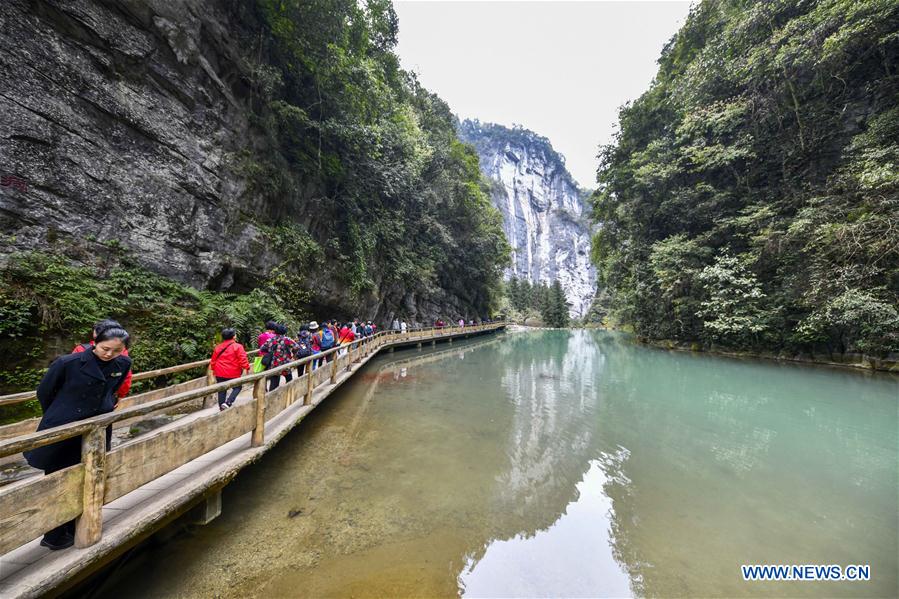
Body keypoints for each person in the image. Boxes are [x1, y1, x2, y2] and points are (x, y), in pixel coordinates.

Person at [25, 327, 132, 550]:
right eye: (105, 348)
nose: (109, 354)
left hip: (96, 429)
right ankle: (53, 534)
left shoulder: (123, 364)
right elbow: (44, 393)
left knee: (90, 475)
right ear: (95, 342)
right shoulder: (68, 363)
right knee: (59, 480)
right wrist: (61, 413)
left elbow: (111, 390)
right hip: (64, 428)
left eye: (117, 350)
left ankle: (77, 526)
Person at [72, 319, 133, 400]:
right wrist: (120, 395)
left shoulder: (81, 349)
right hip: (105, 398)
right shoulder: (121, 351)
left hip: (81, 397)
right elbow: (126, 378)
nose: (109, 354)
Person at [210, 328, 249, 411]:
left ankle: (221, 407)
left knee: (221, 389)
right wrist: (246, 368)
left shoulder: (218, 347)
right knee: (237, 387)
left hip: (219, 372)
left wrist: (213, 370)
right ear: (234, 336)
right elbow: (243, 359)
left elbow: (213, 360)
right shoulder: (238, 346)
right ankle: (228, 403)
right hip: (233, 372)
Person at [260, 324, 297, 391]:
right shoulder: (287, 340)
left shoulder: (271, 340)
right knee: (289, 380)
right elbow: (296, 347)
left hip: (274, 364)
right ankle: (288, 395)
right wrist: (292, 354)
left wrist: (270, 350)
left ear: (275, 331)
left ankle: (271, 399)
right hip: (285, 363)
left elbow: (262, 348)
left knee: (274, 383)